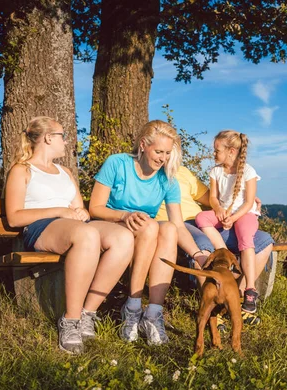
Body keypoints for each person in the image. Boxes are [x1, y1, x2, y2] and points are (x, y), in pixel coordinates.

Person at [5, 116, 134, 354]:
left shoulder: (64, 171)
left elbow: (79, 208)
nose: (67, 142)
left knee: (123, 238)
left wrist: (81, 212)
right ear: (48, 138)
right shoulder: (22, 170)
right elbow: (14, 217)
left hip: (74, 227)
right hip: (41, 227)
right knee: (86, 235)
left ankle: (88, 313)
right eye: (62, 136)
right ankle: (70, 320)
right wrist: (59, 211)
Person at [88, 120, 203, 346]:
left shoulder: (168, 179)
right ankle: (132, 307)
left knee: (168, 228)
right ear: (143, 145)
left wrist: (198, 255)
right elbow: (95, 208)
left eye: (168, 153)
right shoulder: (117, 163)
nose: (163, 158)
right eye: (158, 151)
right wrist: (123, 216)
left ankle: (152, 314)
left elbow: (179, 225)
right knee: (150, 226)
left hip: (144, 231)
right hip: (110, 224)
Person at [156, 165, 274, 324]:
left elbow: (212, 199)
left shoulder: (183, 171)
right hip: (178, 224)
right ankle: (211, 311)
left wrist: (247, 203)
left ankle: (236, 301)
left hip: (202, 221)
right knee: (205, 248)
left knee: (263, 241)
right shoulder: (148, 175)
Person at [195, 130, 262, 314]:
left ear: (231, 151)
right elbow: (214, 198)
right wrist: (220, 211)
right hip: (223, 212)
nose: (213, 154)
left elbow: (248, 202)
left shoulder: (248, 171)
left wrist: (233, 217)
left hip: (244, 213)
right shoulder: (216, 171)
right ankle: (221, 250)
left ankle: (250, 288)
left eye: (217, 150)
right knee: (201, 218)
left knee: (245, 236)